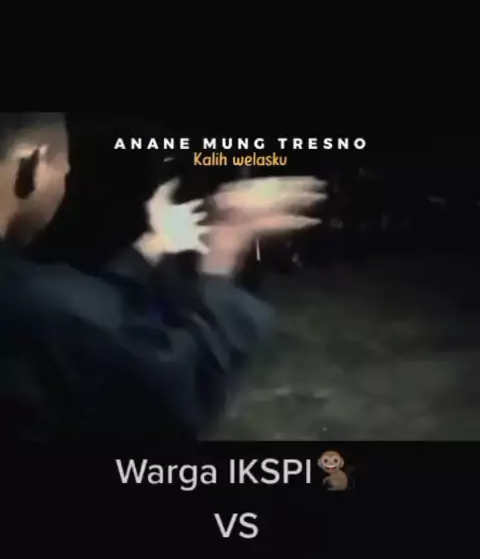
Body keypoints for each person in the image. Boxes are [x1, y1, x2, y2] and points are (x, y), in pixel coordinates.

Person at [0, 113, 325, 443]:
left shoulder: (39, 296)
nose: (67, 176)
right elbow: (179, 393)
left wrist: (147, 250)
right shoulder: (43, 310)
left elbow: (76, 310)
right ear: (32, 165)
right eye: (64, 166)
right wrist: (226, 245)